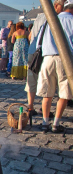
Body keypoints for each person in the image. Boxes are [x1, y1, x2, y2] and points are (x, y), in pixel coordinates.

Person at [36, 0, 73, 133]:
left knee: (47, 93)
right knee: (64, 93)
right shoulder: (72, 21)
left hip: (48, 58)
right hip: (66, 58)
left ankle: (45, 122)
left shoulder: (50, 20)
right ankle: (56, 124)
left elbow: (38, 42)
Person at [25, 0, 65, 116]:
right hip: (46, 53)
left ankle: (31, 107)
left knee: (32, 80)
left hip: (33, 51)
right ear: (56, 6)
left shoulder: (39, 16)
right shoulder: (55, 18)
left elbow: (31, 35)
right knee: (50, 81)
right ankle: (43, 110)